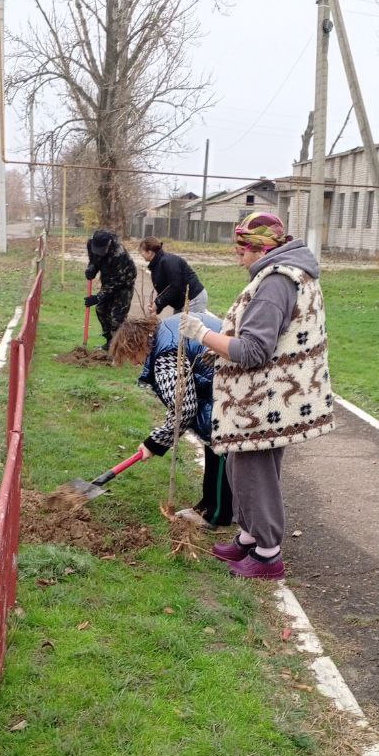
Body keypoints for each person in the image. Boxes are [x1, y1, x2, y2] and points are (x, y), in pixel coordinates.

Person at [179, 211, 334, 579]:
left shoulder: (275, 283)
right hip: (265, 396)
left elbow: (253, 350)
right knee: (240, 466)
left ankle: (267, 553)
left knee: (254, 473)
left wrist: (203, 334)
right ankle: (249, 537)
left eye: (242, 247)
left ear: (260, 248)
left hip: (265, 398)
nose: (238, 254)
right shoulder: (280, 273)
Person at [109, 311, 233, 528]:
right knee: (213, 444)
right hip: (231, 379)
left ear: (137, 345)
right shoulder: (168, 328)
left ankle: (216, 513)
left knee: (219, 446)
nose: (135, 363)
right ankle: (208, 505)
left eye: (131, 357)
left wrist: (153, 444)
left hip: (230, 390)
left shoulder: (164, 356)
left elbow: (183, 407)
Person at [85, 229, 137, 348]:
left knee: (117, 317)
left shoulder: (119, 254)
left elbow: (117, 282)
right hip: (108, 278)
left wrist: (98, 297)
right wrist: (91, 269)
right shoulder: (91, 244)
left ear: (108, 244)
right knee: (101, 309)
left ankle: (118, 348)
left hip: (124, 282)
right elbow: (94, 259)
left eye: (101, 250)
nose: (98, 252)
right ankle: (109, 342)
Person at [139, 236, 208, 316]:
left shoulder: (168, 261)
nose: (141, 254)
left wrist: (158, 303)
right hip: (181, 302)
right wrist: (157, 308)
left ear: (149, 252)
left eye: (142, 252)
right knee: (177, 326)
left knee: (189, 326)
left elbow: (175, 286)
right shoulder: (156, 265)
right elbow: (164, 290)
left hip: (193, 298)